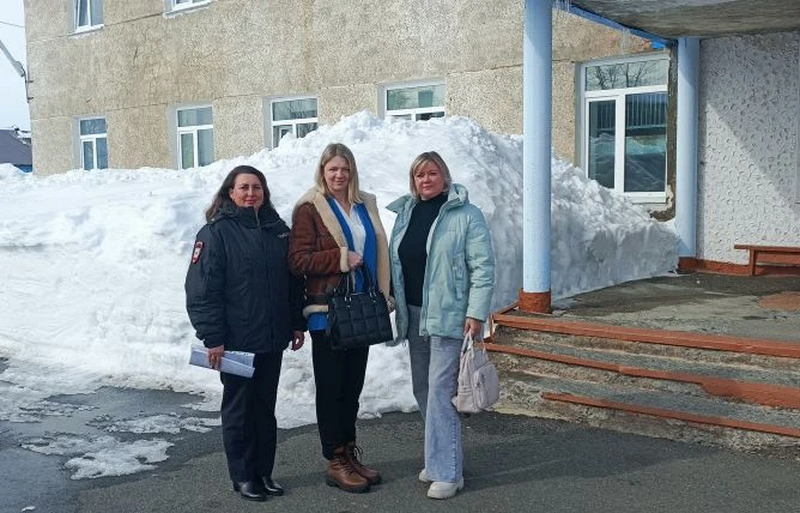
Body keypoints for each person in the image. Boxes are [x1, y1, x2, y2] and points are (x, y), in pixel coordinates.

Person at [185, 165, 306, 502]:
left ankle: (263, 472)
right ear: (231, 192)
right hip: (237, 342)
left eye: (257, 187)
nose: (251, 193)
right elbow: (201, 290)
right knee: (239, 410)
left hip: (272, 338)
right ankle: (242, 476)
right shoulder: (216, 233)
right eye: (244, 187)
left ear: (264, 192)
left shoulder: (277, 230)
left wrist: (297, 322)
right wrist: (213, 338)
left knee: (265, 409)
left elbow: (293, 283)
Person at [387, 151, 495, 500]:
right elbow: (398, 263)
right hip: (414, 314)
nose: (426, 180)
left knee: (439, 391)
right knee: (423, 388)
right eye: (419, 175)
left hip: (449, 316)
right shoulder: (407, 213)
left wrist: (476, 313)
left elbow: (483, 268)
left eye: (432, 173)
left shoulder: (466, 215)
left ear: (444, 177)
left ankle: (447, 471)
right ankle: (441, 459)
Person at [288, 142, 391, 494]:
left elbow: (378, 250)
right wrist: (341, 258)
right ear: (322, 171)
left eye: (345, 169)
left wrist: (385, 291)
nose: (339, 175)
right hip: (328, 312)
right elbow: (297, 260)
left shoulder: (364, 204)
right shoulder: (310, 208)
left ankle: (348, 451)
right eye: (332, 169)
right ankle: (334, 460)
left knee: (352, 388)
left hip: (362, 310)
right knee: (332, 388)